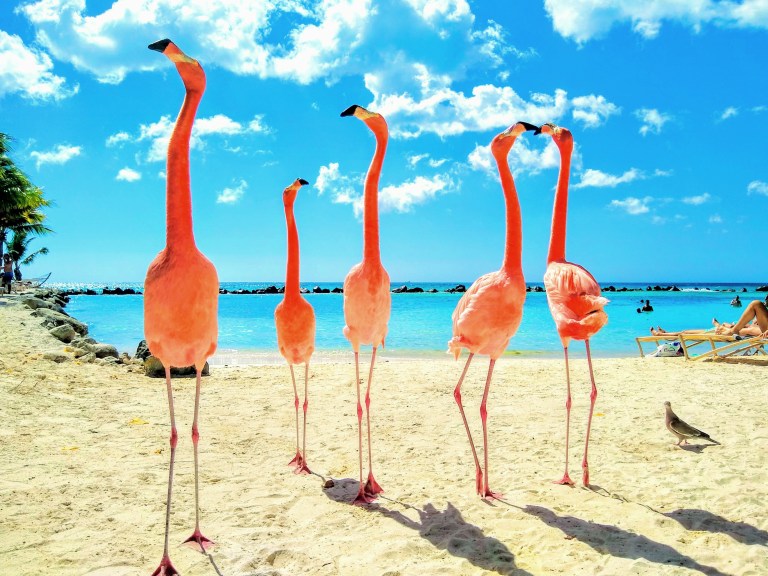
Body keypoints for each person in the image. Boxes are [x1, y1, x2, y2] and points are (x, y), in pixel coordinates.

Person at [650, 300, 768, 338]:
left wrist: (722, 327)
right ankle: (665, 334)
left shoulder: (755, 330)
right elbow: (747, 327)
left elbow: (747, 330)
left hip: (726, 332)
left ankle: (662, 335)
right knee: (685, 332)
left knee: (686, 332)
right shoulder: (755, 327)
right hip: (727, 330)